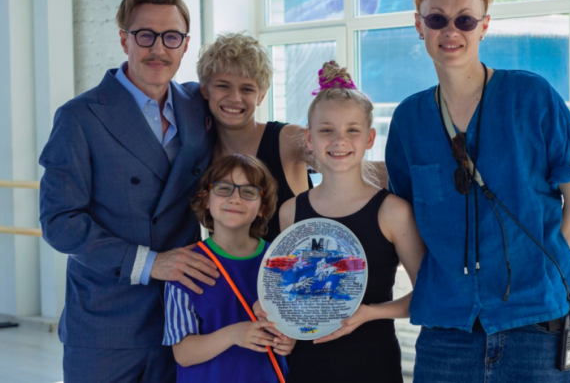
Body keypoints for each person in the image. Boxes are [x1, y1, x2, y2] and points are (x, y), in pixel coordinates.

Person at [385, 0, 570, 382]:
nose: (451, 31)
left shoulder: (531, 96)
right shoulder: (409, 119)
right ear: (419, 25)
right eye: (437, 19)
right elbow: (403, 216)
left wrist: (541, 270)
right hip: (447, 335)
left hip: (535, 327)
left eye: (465, 20)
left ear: (484, 26)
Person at [39, 0, 219, 383]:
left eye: (171, 37)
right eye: (145, 35)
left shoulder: (198, 107)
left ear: (185, 45)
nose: (159, 49)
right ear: (124, 40)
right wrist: (151, 263)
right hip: (105, 325)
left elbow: (244, 135)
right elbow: (60, 222)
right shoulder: (79, 117)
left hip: (181, 319)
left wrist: (307, 146)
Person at [268, 61, 426, 383]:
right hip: (306, 367)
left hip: (372, 366)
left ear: (369, 138)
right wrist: (282, 327)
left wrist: (370, 313)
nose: (339, 140)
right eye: (326, 130)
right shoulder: (289, 212)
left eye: (352, 130)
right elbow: (291, 295)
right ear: (309, 138)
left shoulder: (393, 212)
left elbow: (428, 295)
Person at [163, 154, 293, 382]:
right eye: (224, 189)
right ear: (206, 199)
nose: (235, 198)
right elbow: (183, 354)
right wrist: (233, 335)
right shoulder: (185, 265)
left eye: (248, 192)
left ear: (262, 207)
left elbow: (293, 325)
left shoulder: (280, 261)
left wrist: (290, 340)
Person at [196, 32, 312, 242]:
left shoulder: (287, 138)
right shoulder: (200, 154)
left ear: (262, 96)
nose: (234, 98)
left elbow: (345, 162)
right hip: (226, 264)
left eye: (247, 89)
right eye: (223, 85)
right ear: (204, 89)